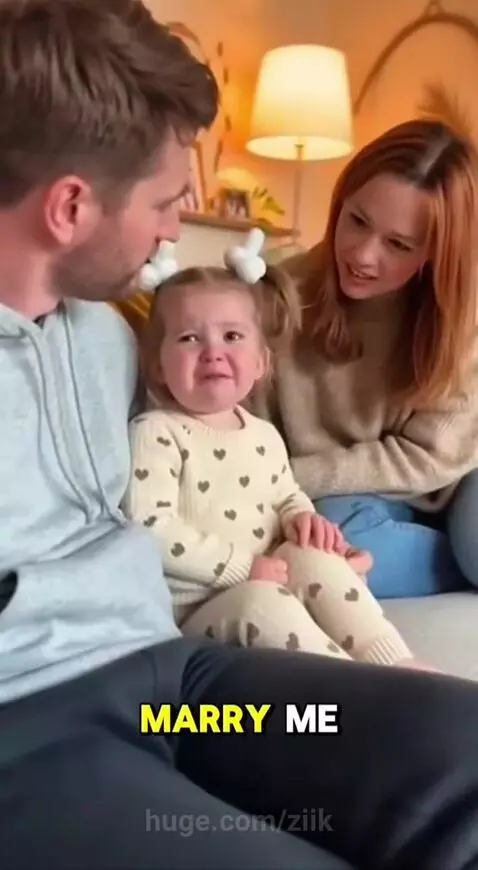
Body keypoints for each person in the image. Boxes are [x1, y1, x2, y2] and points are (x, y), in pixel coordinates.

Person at [2, 3, 478, 870]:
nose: (178, 229)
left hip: (179, 690)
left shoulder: (108, 341)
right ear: (72, 206)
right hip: (33, 717)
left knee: (465, 743)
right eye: (165, 200)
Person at [124, 231, 424, 671]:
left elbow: (286, 494)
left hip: (266, 574)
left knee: (311, 558)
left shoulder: (263, 435)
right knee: (259, 601)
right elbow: (151, 528)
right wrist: (244, 568)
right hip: (195, 610)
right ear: (158, 365)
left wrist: (303, 519)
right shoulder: (157, 433)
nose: (213, 353)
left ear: (261, 361)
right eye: (189, 339)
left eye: (231, 336)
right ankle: (349, 687)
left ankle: (396, 665)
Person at [252, 118, 478, 599]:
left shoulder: (465, 314)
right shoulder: (278, 297)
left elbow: (429, 457)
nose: (362, 255)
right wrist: (285, 484)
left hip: (460, 477)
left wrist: (295, 475)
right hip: (345, 496)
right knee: (324, 542)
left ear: (437, 253)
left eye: (398, 245)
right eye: (356, 220)